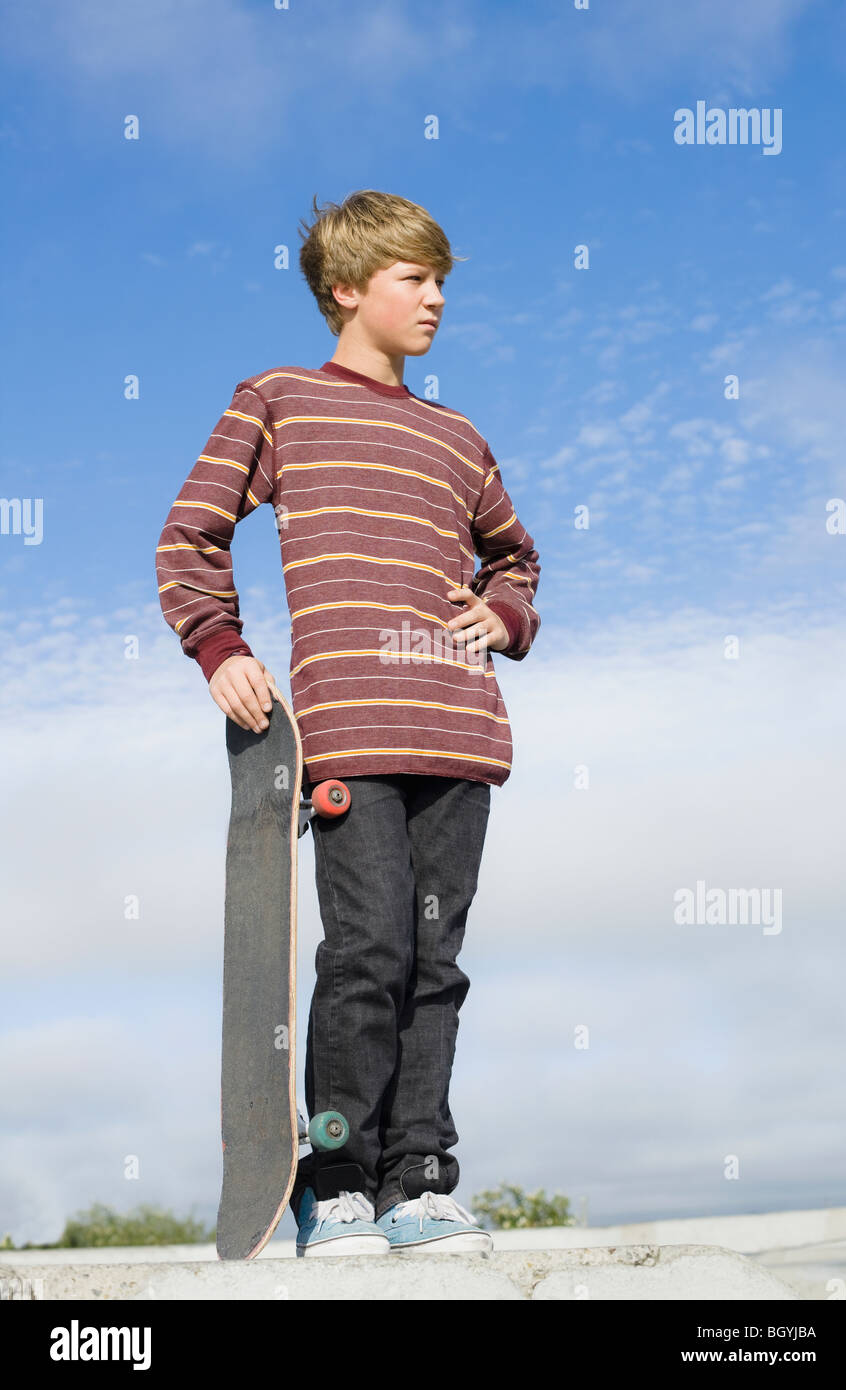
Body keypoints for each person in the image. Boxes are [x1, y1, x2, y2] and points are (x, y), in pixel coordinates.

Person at [155, 189, 541, 1256]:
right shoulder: (278, 400)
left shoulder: (458, 437)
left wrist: (500, 612)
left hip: (458, 732)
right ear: (345, 288)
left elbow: (516, 557)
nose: (436, 298)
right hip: (348, 735)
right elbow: (189, 537)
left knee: (435, 960)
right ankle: (335, 1183)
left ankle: (419, 1176)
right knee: (367, 950)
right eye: (414, 279)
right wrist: (220, 649)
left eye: (441, 280)